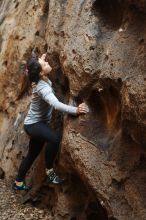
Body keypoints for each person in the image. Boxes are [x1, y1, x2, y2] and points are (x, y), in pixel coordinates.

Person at [12, 52, 89, 191]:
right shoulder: (43, 88)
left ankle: (18, 182)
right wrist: (75, 110)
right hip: (34, 125)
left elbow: (37, 67)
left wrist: (40, 60)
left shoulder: (38, 77)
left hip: (34, 124)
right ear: (41, 73)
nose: (47, 63)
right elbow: (57, 105)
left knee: (32, 155)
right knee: (55, 138)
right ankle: (49, 169)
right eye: (45, 64)